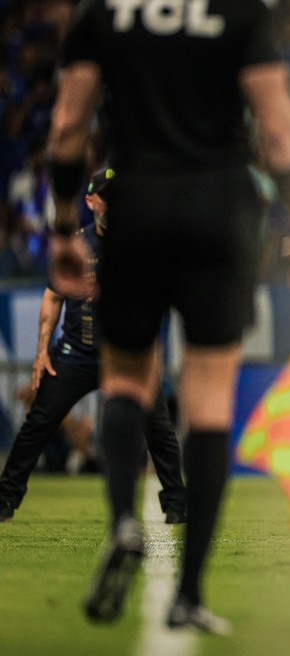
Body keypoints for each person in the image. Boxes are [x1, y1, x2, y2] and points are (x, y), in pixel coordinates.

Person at [45, 1, 290, 634]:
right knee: (208, 400)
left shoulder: (102, 12)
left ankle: (125, 520)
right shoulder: (241, 11)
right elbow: (280, 132)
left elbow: (67, 124)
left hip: (137, 205)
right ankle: (190, 593)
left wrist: (65, 226)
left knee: (126, 379)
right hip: (220, 211)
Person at [0, 168, 187, 525]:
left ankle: (177, 505)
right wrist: (42, 352)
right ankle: (5, 498)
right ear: (90, 201)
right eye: (107, 197)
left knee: (159, 428)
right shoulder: (77, 245)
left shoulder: (141, 244)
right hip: (78, 352)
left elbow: (158, 298)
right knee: (38, 421)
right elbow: (53, 297)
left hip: (127, 353)